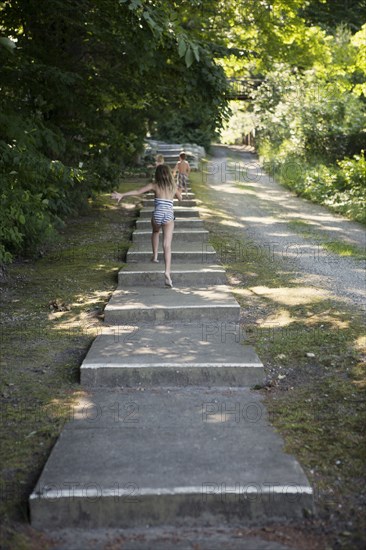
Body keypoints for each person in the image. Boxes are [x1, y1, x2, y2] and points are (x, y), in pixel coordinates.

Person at [111, 164, 182, 288]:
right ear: (169, 174)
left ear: (157, 175)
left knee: (155, 232)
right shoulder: (173, 186)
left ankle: (154, 256)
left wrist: (122, 194)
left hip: (158, 214)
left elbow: (138, 192)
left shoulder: (154, 185)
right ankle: (167, 272)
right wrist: (178, 190)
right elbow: (180, 198)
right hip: (169, 216)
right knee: (167, 245)